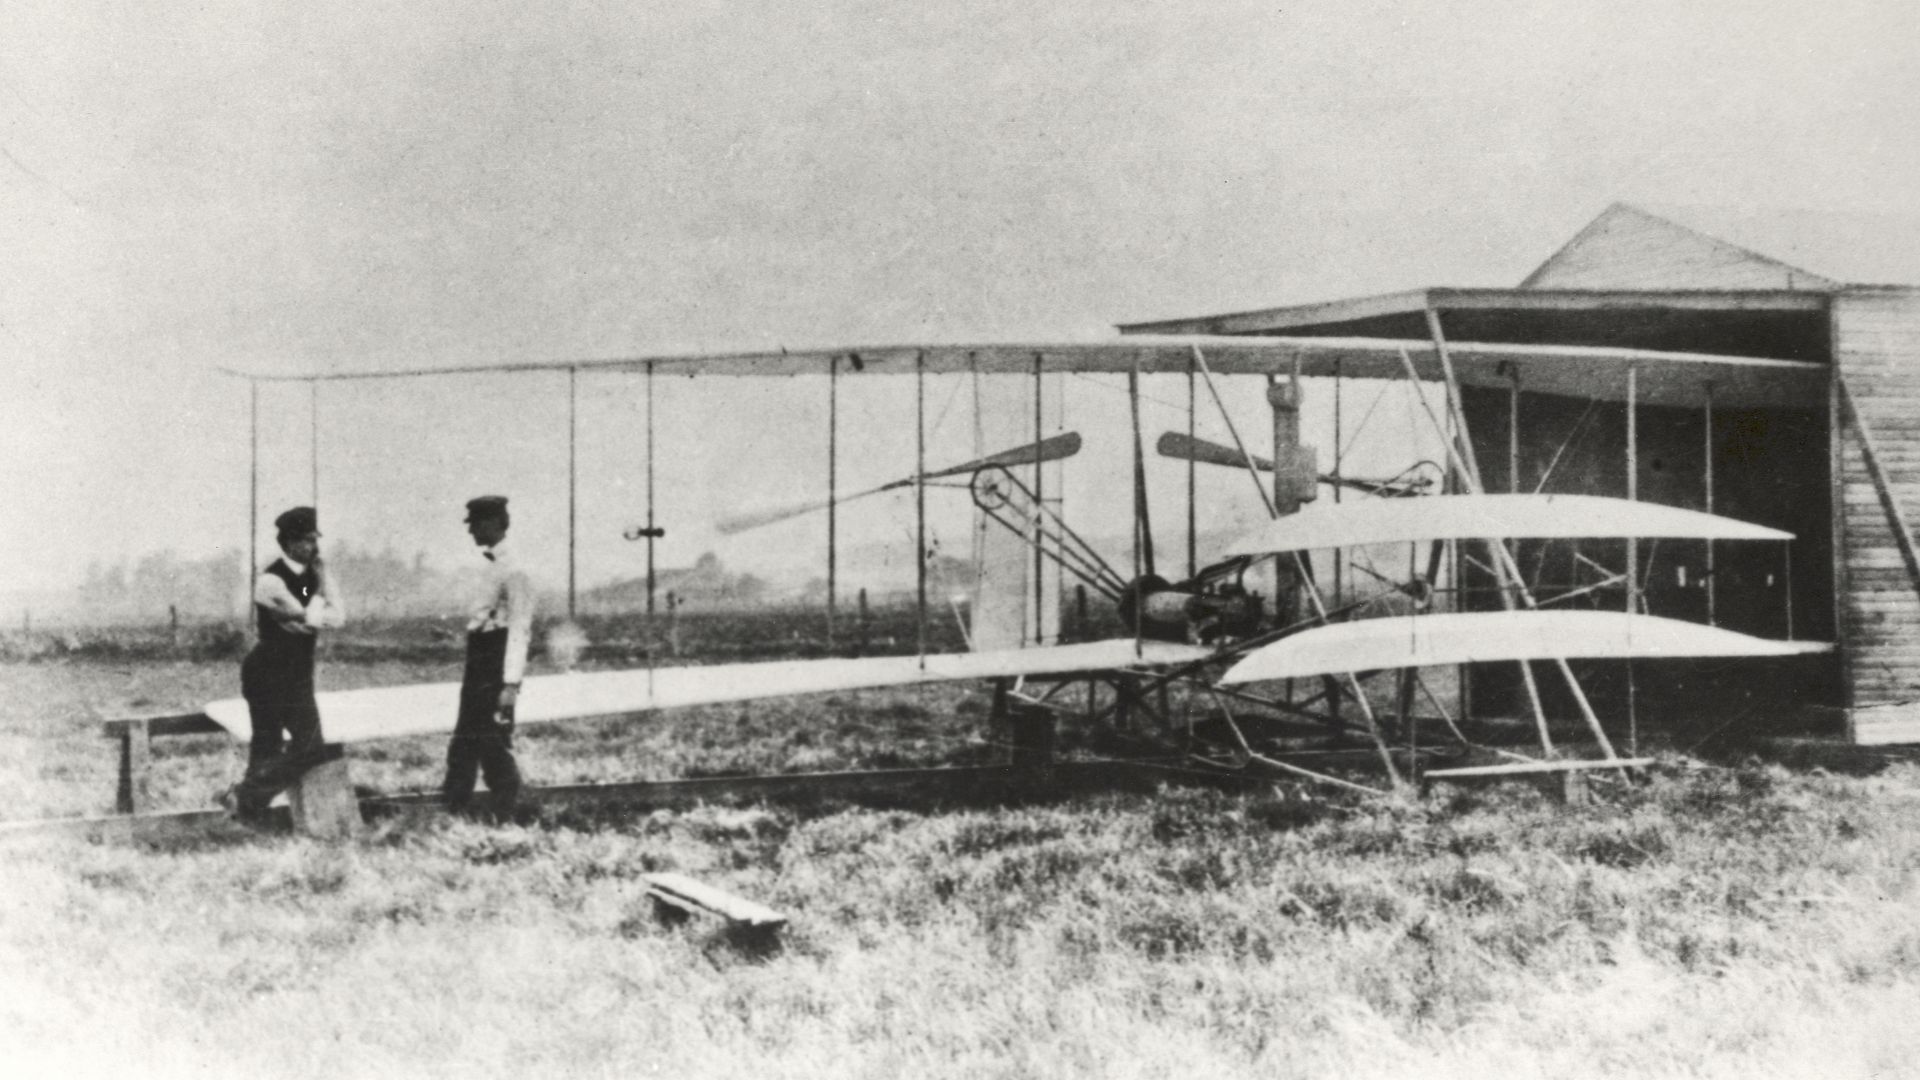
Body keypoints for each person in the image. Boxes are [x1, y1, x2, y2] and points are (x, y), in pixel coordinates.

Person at [221, 506, 345, 821]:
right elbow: (308, 622)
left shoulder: (310, 577)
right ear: (288, 542)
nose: (312, 547)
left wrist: (316, 598)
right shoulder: (270, 581)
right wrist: (317, 605)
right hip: (267, 671)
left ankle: (243, 797)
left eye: (314, 540)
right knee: (267, 745)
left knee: (311, 746)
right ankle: (247, 813)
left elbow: (336, 617)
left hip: (298, 674)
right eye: (304, 540)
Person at [443, 495, 534, 815]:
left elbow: (520, 629)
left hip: (495, 662)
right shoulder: (493, 565)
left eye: (477, 523)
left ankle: (508, 808)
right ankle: (454, 809)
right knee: (466, 738)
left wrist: (510, 685)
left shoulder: (515, 569)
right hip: (480, 657)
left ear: (496, 523)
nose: (472, 531)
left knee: (490, 739)